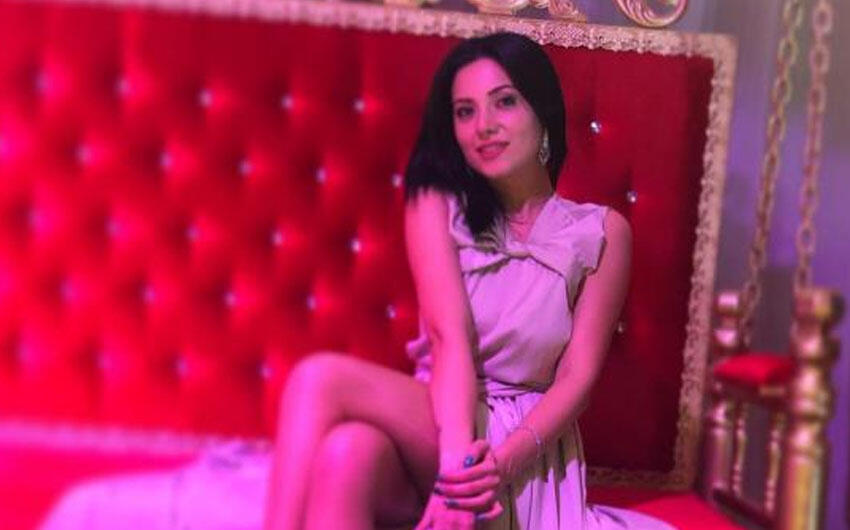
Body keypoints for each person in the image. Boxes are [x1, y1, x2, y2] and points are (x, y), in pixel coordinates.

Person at [41, 32, 676, 530]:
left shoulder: (600, 231)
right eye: (465, 111)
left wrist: (493, 469)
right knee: (346, 453)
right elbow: (448, 339)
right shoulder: (437, 201)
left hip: (524, 445)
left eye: (504, 101)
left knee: (320, 378)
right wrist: (458, 462)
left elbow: (578, 379)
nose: (483, 124)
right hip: (441, 417)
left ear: (543, 115)